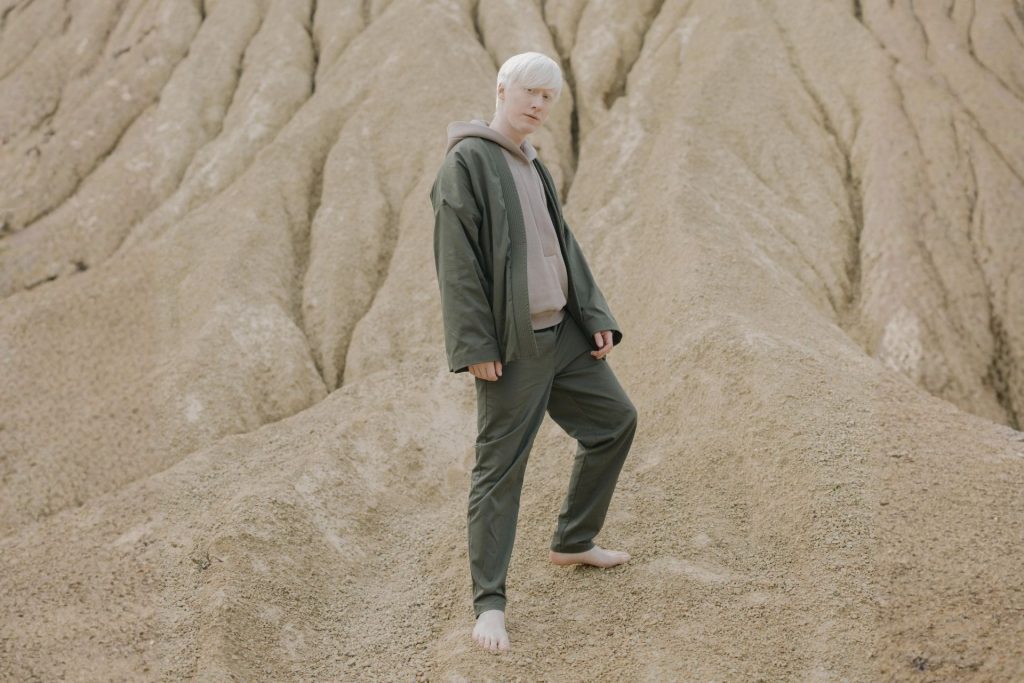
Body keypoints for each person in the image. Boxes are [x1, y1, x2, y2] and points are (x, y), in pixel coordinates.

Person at [430, 51, 638, 654]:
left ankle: (574, 540)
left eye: (549, 98)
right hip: (514, 343)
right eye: (530, 93)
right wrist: (476, 345)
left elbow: (562, 245)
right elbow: (456, 263)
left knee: (615, 422)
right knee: (500, 471)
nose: (539, 106)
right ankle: (489, 604)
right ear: (502, 88)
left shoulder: (531, 162)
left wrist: (594, 316)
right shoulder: (467, 162)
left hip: (564, 336)